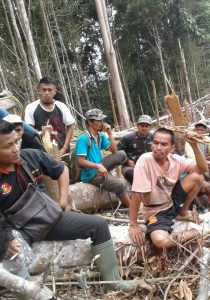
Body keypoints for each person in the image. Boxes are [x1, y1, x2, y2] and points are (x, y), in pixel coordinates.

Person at [0, 119, 136, 292]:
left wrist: (63, 200)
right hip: (19, 228)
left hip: (48, 216)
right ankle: (34, 293)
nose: (15, 148)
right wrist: (4, 241)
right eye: (8, 146)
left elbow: (62, 169)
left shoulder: (30, 156)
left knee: (99, 225)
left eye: (16, 142)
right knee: (13, 257)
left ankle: (114, 281)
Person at [129, 127, 208, 249]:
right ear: (151, 144)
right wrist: (133, 225)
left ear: (172, 148)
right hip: (155, 212)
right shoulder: (145, 160)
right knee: (161, 242)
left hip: (171, 202)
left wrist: (194, 145)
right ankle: (195, 232)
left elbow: (203, 169)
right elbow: (137, 194)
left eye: (164, 144)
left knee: (198, 177)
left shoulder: (175, 160)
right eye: (155, 143)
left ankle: (182, 212)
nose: (158, 148)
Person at [75, 108, 131, 207]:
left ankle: (123, 173)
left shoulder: (100, 135)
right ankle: (132, 207)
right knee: (119, 184)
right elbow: (80, 161)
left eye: (102, 120)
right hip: (90, 175)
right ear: (90, 122)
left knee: (121, 154)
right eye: (99, 120)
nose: (102, 123)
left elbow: (114, 151)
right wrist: (98, 166)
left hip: (99, 166)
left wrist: (109, 133)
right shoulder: (83, 138)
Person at [24, 77, 75, 157]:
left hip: (62, 151)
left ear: (55, 91)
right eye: (44, 90)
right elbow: (29, 131)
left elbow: (70, 126)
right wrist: (40, 151)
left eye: (50, 90)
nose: (47, 93)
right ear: (39, 91)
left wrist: (65, 148)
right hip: (42, 154)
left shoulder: (61, 106)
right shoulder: (31, 107)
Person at [185, 121, 210, 187]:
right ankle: (206, 182)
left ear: (205, 131)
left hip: (202, 159)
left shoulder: (207, 139)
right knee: (203, 168)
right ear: (194, 130)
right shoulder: (189, 140)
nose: (199, 132)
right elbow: (191, 158)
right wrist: (207, 162)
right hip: (192, 162)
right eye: (198, 130)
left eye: (202, 130)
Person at [118, 115, 153, 183]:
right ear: (137, 126)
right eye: (142, 126)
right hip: (130, 167)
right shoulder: (128, 138)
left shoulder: (153, 137)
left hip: (148, 166)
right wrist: (127, 161)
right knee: (135, 175)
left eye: (146, 126)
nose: (144, 128)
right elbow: (117, 152)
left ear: (150, 127)